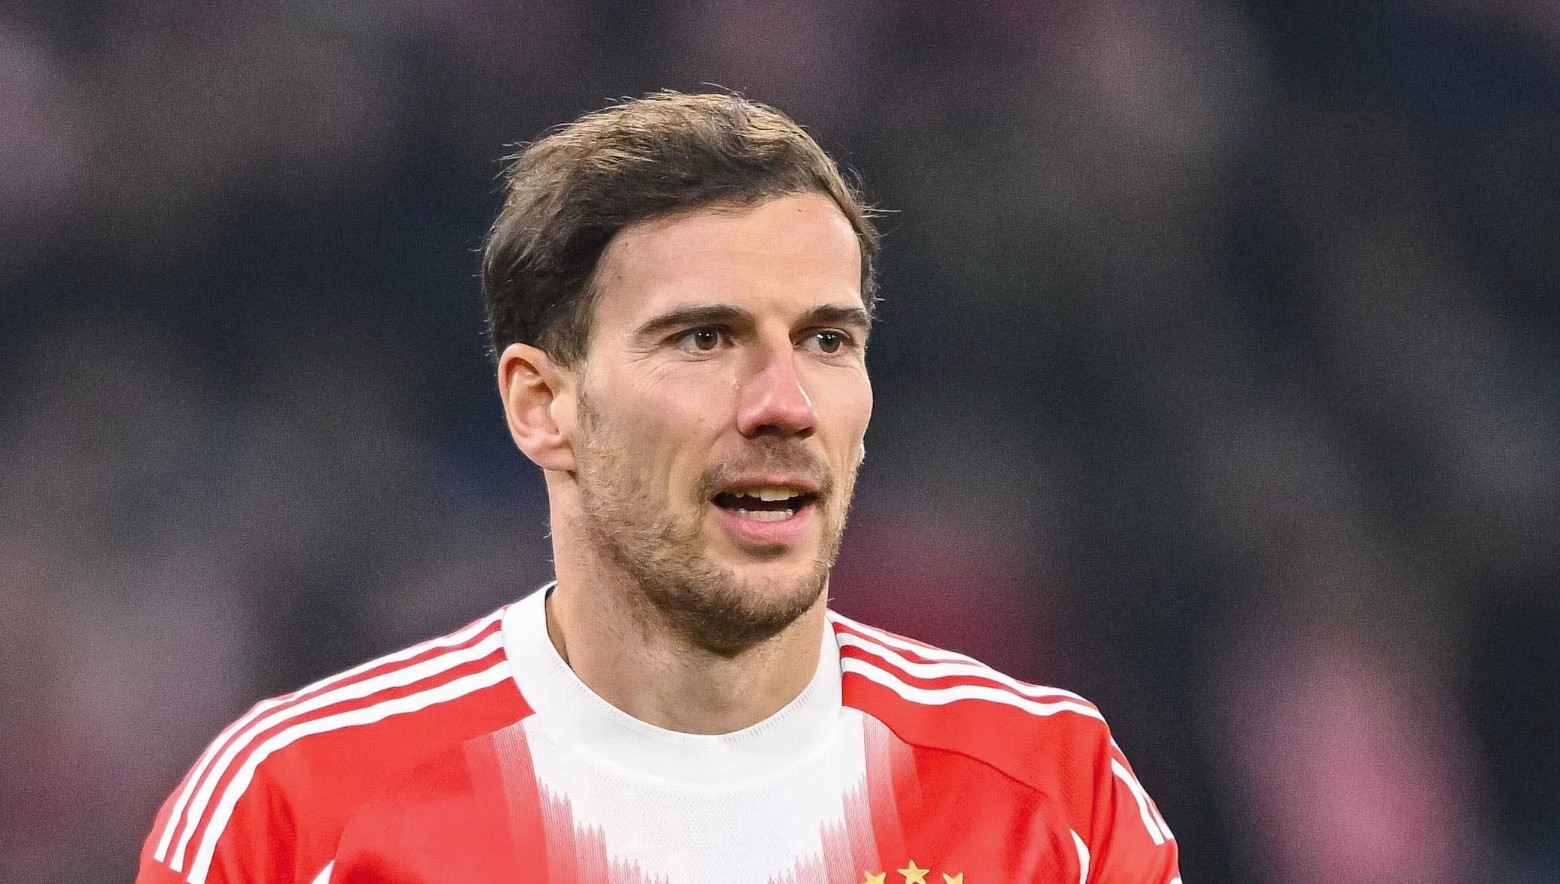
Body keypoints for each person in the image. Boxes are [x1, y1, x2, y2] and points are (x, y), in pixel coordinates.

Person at [137, 91, 1181, 884]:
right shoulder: (295, 813)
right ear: (543, 405)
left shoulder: (1057, 795)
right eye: (704, 339)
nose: (784, 404)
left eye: (826, 340)